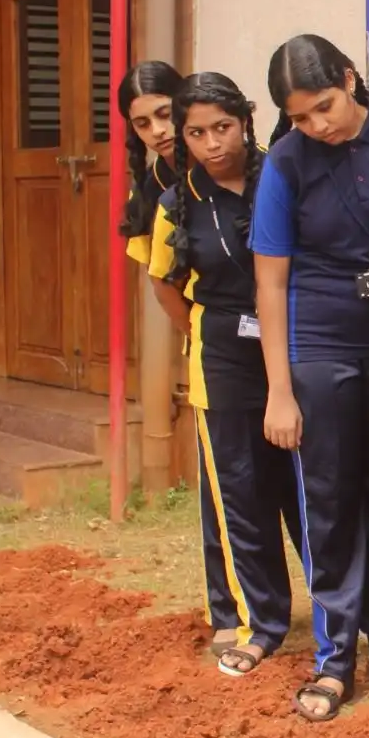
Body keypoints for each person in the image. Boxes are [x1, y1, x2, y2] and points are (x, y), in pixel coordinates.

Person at [251, 34, 369, 721]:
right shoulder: (286, 162)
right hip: (319, 344)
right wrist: (279, 390)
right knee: (328, 500)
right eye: (299, 117)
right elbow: (270, 284)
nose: (316, 126)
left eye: (323, 106)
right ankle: (333, 657)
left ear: (351, 80)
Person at [148, 72, 301, 679]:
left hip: (296, 350)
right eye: (197, 133)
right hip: (223, 360)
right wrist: (199, 332)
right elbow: (163, 282)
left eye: (223, 128)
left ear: (245, 121)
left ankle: (345, 614)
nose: (213, 143)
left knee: (311, 490)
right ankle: (259, 622)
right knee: (240, 493)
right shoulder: (176, 203)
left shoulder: (281, 175)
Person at [117, 61, 185, 267]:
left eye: (165, 115)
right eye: (142, 124)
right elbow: (158, 276)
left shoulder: (235, 164)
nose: (157, 131)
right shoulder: (147, 187)